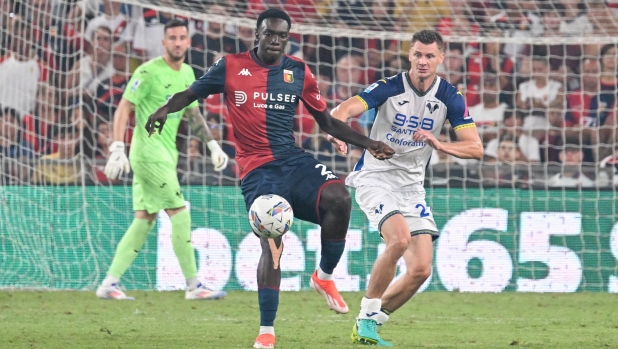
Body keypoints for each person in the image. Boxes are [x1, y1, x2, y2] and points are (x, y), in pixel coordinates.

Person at [143, 9, 394, 349]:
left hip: (292, 160)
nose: (275, 40)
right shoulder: (230, 66)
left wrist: (371, 144)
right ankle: (266, 331)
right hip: (257, 171)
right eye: (269, 33)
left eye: (282, 35)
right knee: (273, 244)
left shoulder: (298, 71)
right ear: (257, 34)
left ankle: (324, 277)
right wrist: (162, 110)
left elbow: (328, 123)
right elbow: (190, 93)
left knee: (339, 197)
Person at [330, 29, 483, 346]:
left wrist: (439, 143)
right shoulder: (389, 87)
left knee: (421, 270)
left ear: (441, 57)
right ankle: (368, 316)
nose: (423, 61)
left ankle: (367, 321)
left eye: (430, 55)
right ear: (409, 55)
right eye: (417, 54)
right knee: (398, 241)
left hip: (412, 188)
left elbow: (475, 148)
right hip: (376, 177)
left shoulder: (449, 98)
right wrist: (336, 131)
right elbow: (342, 111)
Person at [95, 19, 229, 301]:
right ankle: (194, 286)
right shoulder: (148, 71)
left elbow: (192, 115)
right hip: (148, 153)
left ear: (188, 42)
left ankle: (109, 282)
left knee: (145, 217)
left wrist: (213, 145)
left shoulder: (189, 73)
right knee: (179, 212)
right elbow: (124, 108)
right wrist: (117, 147)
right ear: (164, 42)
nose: (178, 42)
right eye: (172, 38)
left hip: (167, 155)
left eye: (182, 37)